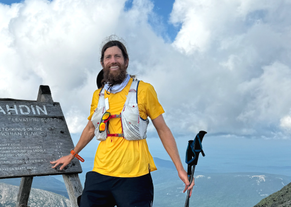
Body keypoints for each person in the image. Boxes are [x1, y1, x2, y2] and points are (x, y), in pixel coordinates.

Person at [50, 38, 194, 207]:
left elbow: (163, 130)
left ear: (126, 61)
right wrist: (72, 154)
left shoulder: (144, 90)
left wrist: (179, 168)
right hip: (101, 172)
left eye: (117, 56)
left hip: (135, 176)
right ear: (103, 63)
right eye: (108, 57)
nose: (113, 60)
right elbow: (90, 128)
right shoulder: (98, 95)